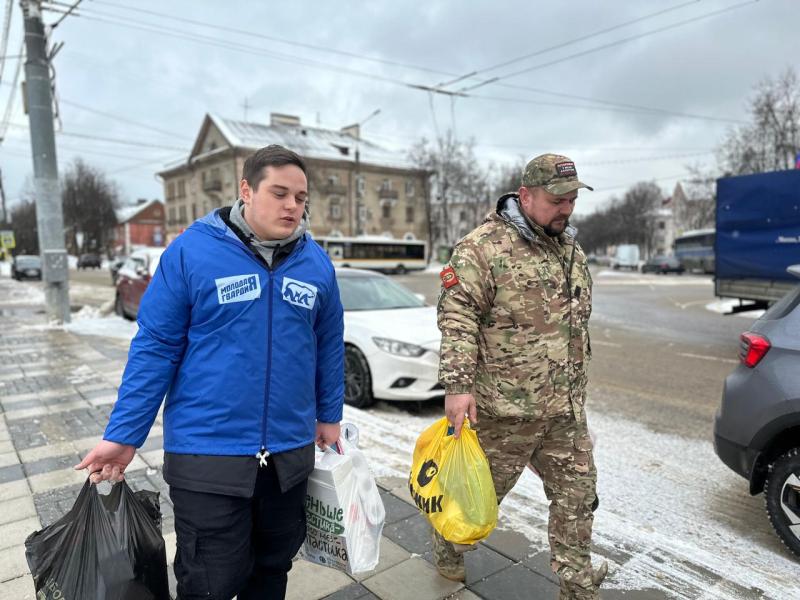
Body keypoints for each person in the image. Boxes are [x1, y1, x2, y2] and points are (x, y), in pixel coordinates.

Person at [75, 145, 345, 600]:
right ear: (246, 189)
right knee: (210, 582)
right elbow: (156, 347)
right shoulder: (191, 253)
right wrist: (124, 435)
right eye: (279, 193)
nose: (291, 207)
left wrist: (328, 414)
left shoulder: (316, 264)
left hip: (288, 457)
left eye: (300, 198)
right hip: (208, 457)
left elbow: (328, 346)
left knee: (272, 569)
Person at [435, 154, 606, 600]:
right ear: (525, 196)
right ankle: (449, 546)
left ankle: (577, 584)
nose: (566, 208)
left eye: (571, 199)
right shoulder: (482, 248)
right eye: (556, 200)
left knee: (578, 497)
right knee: (477, 502)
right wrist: (458, 387)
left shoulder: (568, 246)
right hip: (506, 412)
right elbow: (458, 317)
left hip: (564, 411)